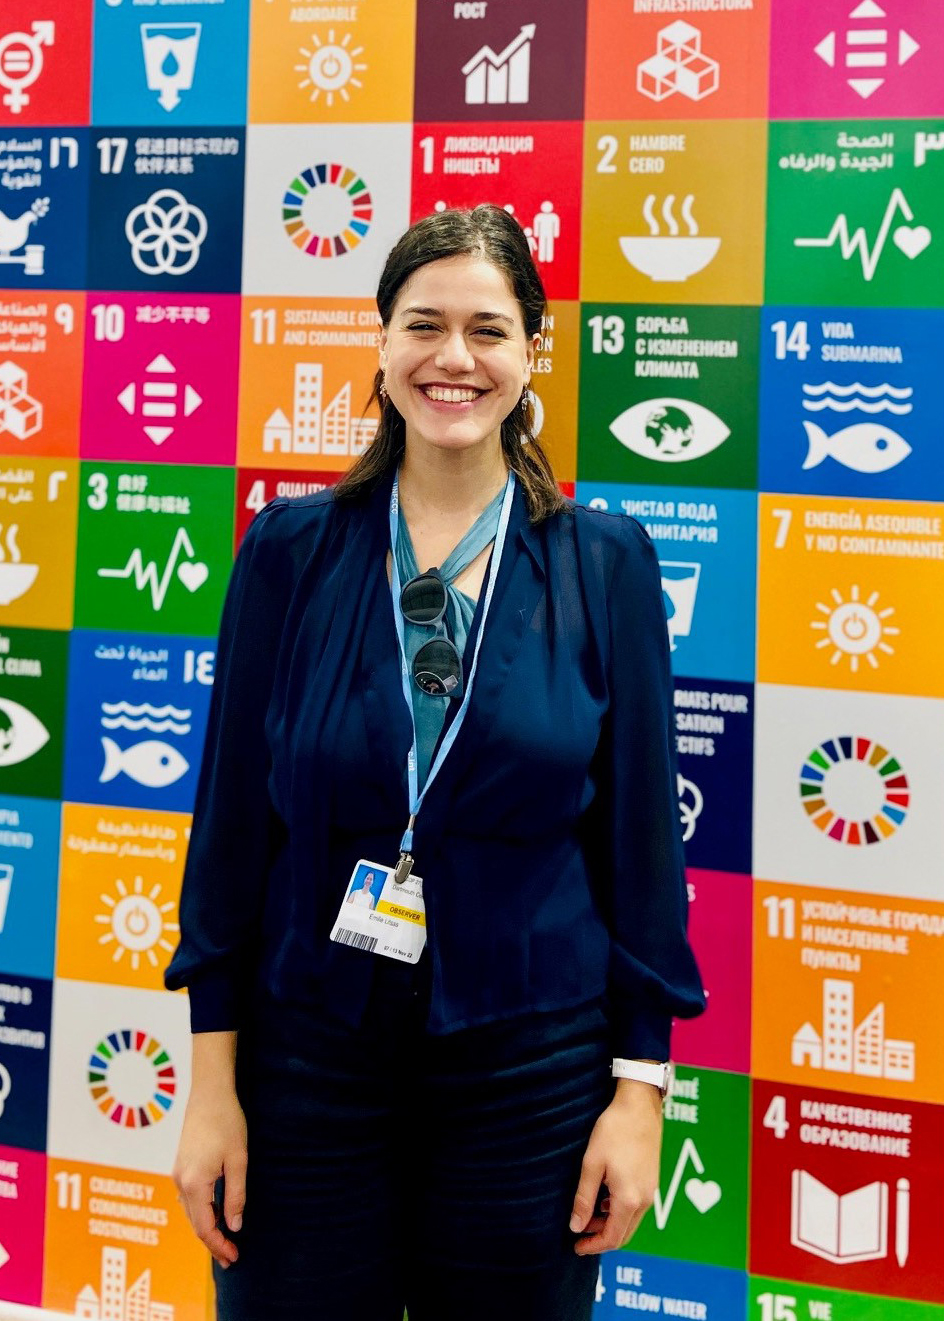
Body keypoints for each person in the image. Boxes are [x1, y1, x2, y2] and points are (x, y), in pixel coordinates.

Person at [165, 203, 705, 1321]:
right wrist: (210, 1086)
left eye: (487, 329)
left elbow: (642, 847)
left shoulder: (600, 562)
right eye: (423, 324)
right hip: (305, 1058)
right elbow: (228, 834)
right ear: (379, 343)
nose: (452, 358)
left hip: (530, 1069)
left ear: (531, 353)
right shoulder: (288, 550)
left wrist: (639, 1093)